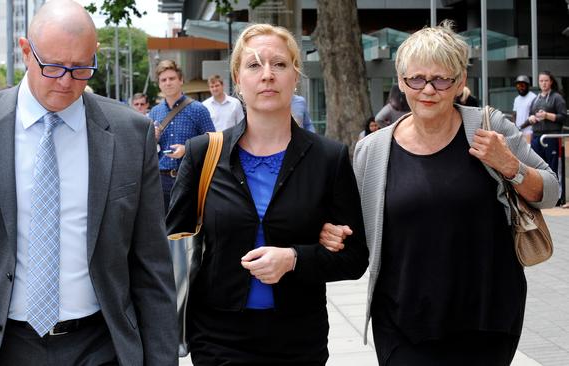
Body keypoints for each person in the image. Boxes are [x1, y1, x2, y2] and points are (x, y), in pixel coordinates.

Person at [0, 1, 177, 365]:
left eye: (81, 68)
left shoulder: (129, 134)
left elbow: (152, 261)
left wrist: (162, 357)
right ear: (26, 51)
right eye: (53, 66)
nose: (67, 81)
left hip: (101, 344)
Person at [320, 21, 559, 366]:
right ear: (401, 81)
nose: (428, 90)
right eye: (416, 79)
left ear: (461, 81)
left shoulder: (489, 128)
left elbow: (550, 192)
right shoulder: (372, 151)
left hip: (487, 317)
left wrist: (510, 166)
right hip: (403, 320)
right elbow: (351, 226)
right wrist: (331, 232)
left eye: (441, 79)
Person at [166, 23, 369, 365]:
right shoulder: (202, 154)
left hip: (299, 340)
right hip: (218, 339)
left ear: (295, 77)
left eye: (279, 64)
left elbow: (355, 258)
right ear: (238, 80)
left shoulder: (328, 158)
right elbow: (171, 244)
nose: (267, 75)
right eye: (254, 65)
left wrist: (295, 258)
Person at [149, 59, 214, 211]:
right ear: (159, 84)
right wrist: (152, 138)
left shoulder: (198, 109)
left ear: (181, 80)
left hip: (190, 177)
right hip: (162, 178)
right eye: (163, 80)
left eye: (172, 78)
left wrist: (187, 149)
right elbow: (147, 150)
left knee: (189, 228)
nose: (167, 83)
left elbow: (213, 142)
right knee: (165, 229)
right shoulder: (154, 112)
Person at [527, 71, 567, 178]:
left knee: (553, 168)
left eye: (546, 81)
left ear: (551, 82)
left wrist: (546, 115)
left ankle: (558, 194)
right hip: (536, 137)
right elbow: (531, 114)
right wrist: (531, 118)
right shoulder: (535, 99)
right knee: (537, 168)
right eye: (541, 81)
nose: (543, 83)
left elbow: (563, 117)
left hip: (551, 137)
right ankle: (543, 193)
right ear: (538, 83)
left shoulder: (557, 98)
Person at [512, 75, 536, 141]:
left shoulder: (533, 97)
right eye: (518, 86)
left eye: (522, 85)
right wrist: (514, 126)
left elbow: (533, 116)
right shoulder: (516, 99)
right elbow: (514, 114)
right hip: (518, 133)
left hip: (529, 132)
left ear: (527, 86)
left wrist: (520, 127)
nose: (520, 88)